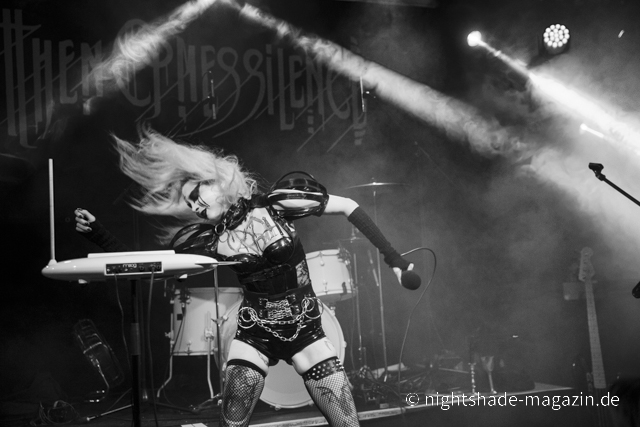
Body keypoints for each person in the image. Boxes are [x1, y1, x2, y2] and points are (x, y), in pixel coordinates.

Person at [75, 128, 414, 427]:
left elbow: (348, 206)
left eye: (196, 195)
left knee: (347, 422)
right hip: (255, 334)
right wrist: (98, 234)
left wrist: (394, 260)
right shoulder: (209, 241)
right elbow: (153, 265)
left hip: (306, 329)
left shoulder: (277, 205)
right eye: (188, 204)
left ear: (217, 180)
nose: (194, 207)